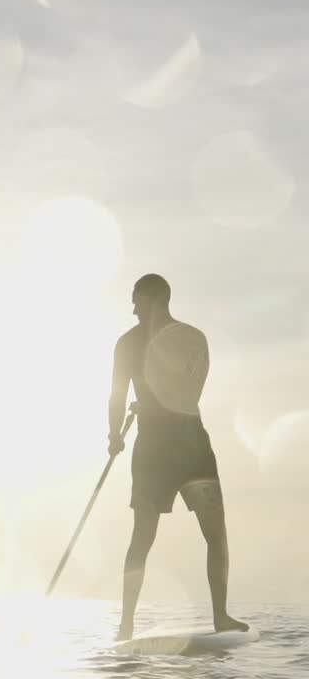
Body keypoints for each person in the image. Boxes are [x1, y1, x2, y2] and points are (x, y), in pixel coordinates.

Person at [108, 274, 247, 641]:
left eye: (136, 299)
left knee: (214, 531)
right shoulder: (126, 344)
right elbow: (116, 396)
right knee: (143, 535)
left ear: (154, 299)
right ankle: (126, 625)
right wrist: (113, 435)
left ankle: (221, 616)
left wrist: (149, 402)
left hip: (188, 447)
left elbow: (190, 389)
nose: (133, 307)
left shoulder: (191, 339)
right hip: (158, 448)